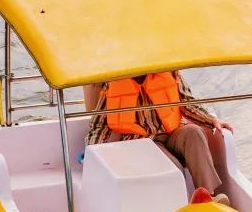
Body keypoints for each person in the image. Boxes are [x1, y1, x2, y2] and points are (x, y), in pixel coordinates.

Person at [83, 70, 233, 203]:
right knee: (172, 165)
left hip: (173, 133)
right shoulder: (112, 85)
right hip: (144, 143)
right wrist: (92, 156)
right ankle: (184, 206)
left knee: (194, 132)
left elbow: (188, 103)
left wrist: (211, 120)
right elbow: (98, 126)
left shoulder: (170, 73)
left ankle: (208, 199)